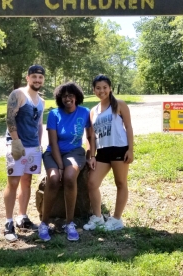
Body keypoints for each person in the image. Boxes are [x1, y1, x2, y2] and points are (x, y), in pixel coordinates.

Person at [38, 82, 95, 242]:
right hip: (53, 153)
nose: (67, 98)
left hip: (75, 152)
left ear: (76, 97)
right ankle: (44, 222)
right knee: (55, 178)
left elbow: (90, 137)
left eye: (71, 95)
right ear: (59, 98)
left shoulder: (85, 112)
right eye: (64, 96)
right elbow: (53, 143)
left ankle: (70, 223)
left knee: (70, 177)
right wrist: (60, 166)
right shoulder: (54, 114)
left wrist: (91, 156)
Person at [83, 74, 134, 231]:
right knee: (92, 183)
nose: (101, 91)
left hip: (119, 149)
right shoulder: (93, 111)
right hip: (103, 152)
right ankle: (98, 218)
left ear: (110, 88)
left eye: (104, 87)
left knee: (120, 183)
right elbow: (91, 136)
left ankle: (117, 219)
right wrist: (91, 155)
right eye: (98, 88)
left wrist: (130, 150)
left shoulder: (119, 104)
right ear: (94, 90)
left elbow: (129, 127)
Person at [3, 65, 45, 242]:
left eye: (40, 77)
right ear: (27, 78)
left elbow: (38, 125)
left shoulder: (41, 101)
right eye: (34, 76)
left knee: (26, 181)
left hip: (33, 146)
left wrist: (39, 145)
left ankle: (22, 216)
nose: (37, 80)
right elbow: (10, 118)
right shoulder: (18, 94)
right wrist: (16, 142)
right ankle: (8, 222)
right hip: (17, 145)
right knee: (13, 182)